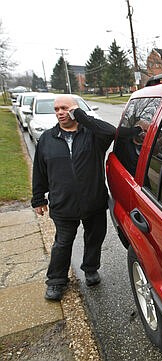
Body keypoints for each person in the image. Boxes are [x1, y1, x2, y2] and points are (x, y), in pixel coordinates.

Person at [31, 94, 116, 301]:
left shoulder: (93, 135)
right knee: (62, 243)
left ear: (75, 110)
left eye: (65, 108)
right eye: (57, 109)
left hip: (93, 201)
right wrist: (38, 199)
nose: (60, 112)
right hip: (63, 203)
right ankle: (56, 281)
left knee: (94, 238)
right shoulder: (47, 139)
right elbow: (40, 170)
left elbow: (111, 132)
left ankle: (90, 269)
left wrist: (81, 116)